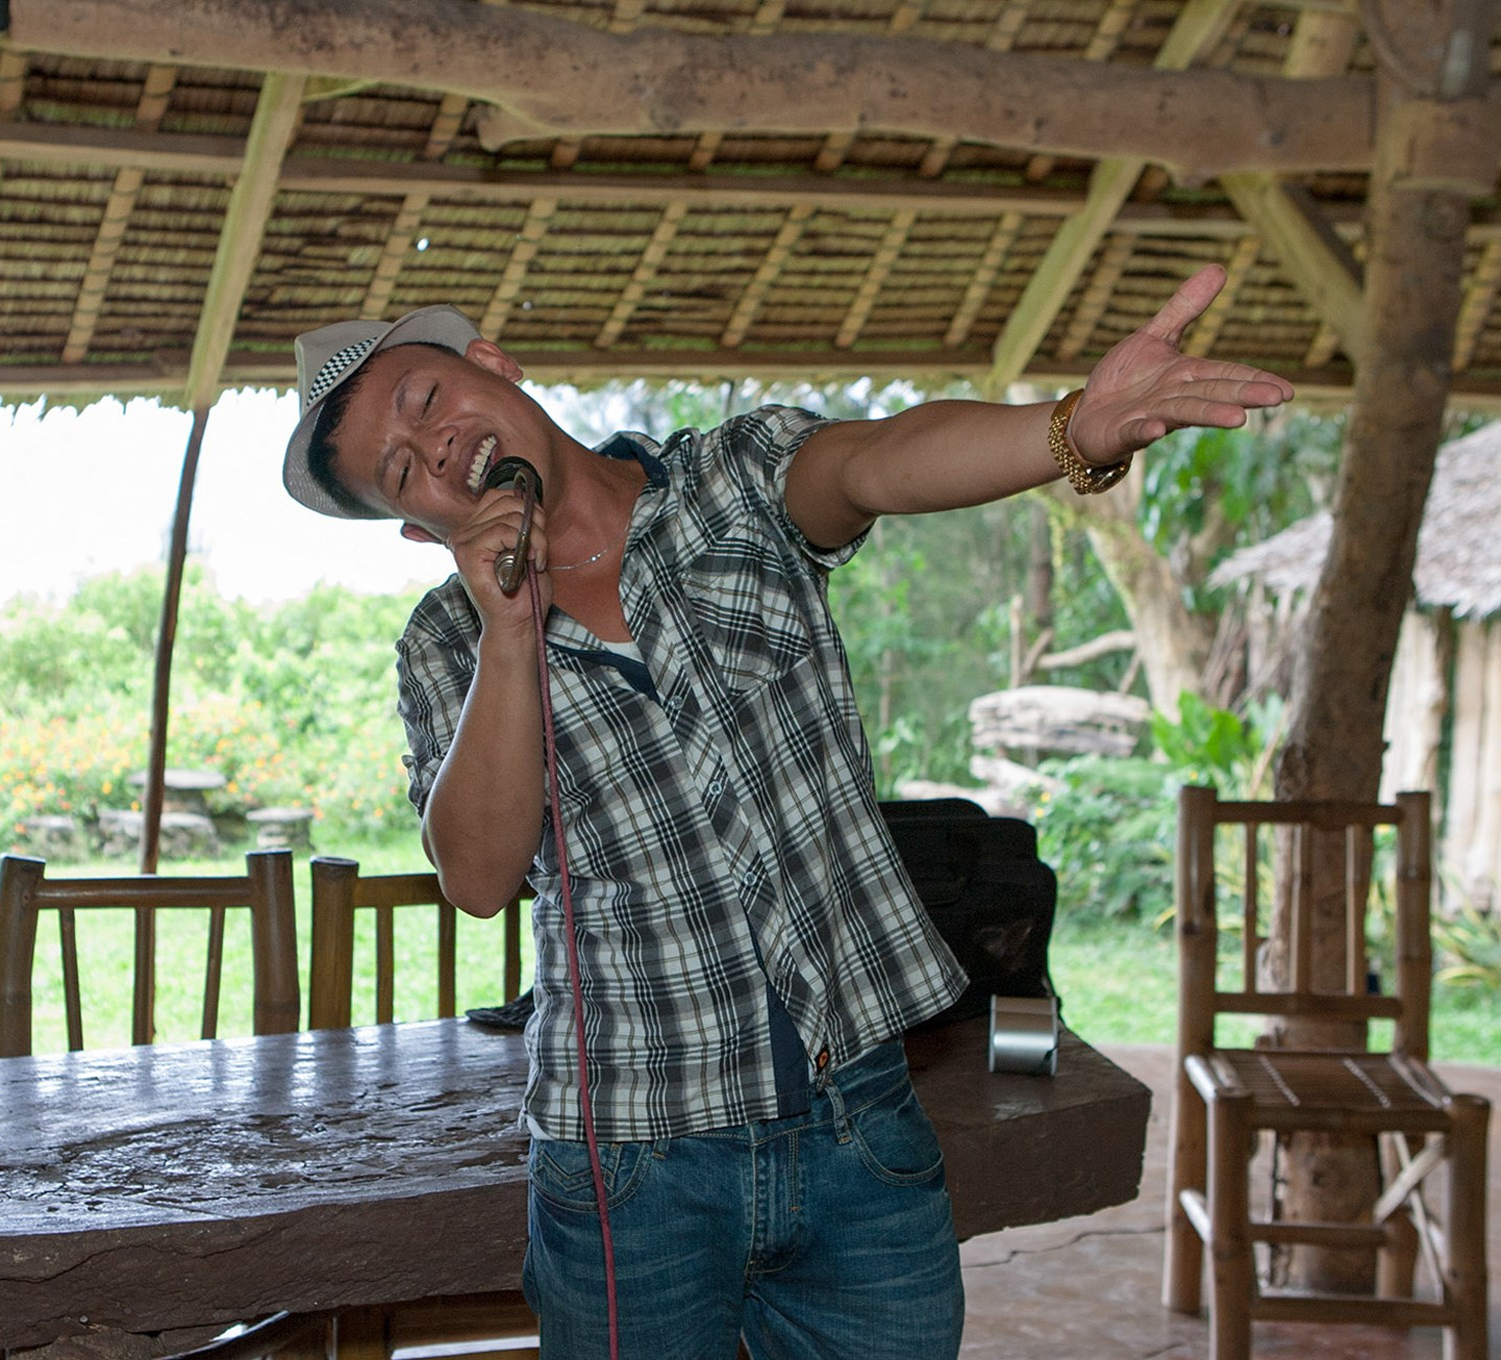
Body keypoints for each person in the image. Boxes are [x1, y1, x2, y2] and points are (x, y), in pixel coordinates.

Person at [280, 265, 1293, 1360]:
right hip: (630, 1168)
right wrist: (509, 628)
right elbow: (475, 878)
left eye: (424, 402)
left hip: (859, 1125)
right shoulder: (447, 646)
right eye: (398, 470)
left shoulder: (732, 479)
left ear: (493, 365)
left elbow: (877, 462)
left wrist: (1069, 427)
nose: (430, 450)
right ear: (415, 531)